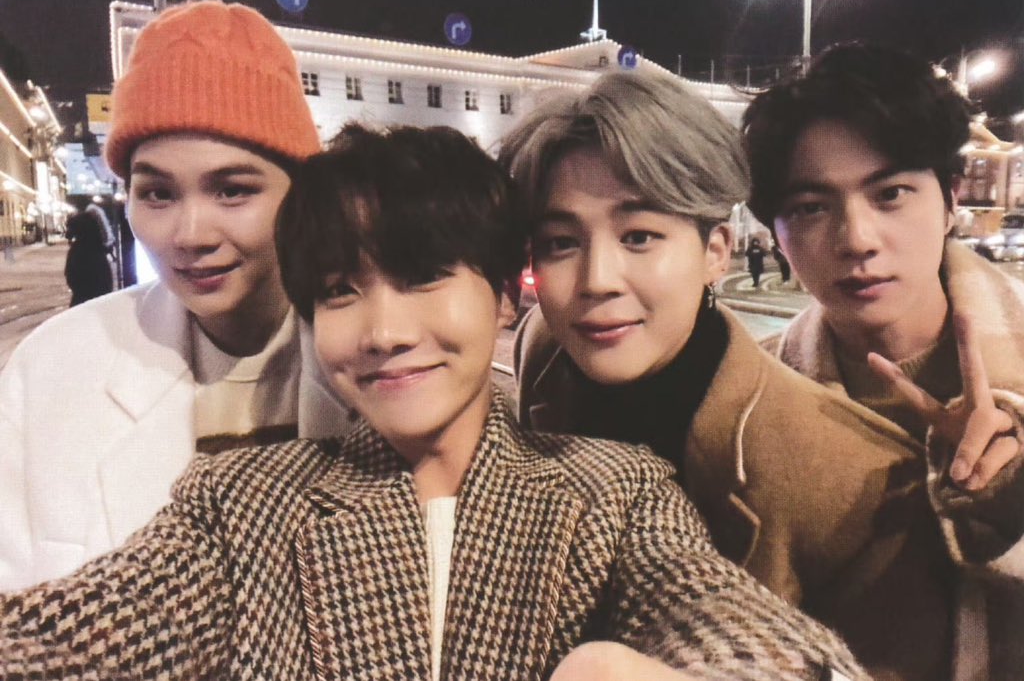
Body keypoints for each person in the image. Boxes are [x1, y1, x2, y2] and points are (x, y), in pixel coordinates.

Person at [0, 124, 865, 681]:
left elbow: (723, 616)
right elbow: (62, 638)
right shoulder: (240, 505)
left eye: (422, 278)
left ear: (504, 298)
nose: (383, 331)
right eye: (340, 292)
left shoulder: (613, 492)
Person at [500, 69, 993, 681]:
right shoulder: (545, 350)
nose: (597, 280)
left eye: (639, 236)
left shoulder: (855, 481)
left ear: (716, 252)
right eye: (559, 243)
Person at [0, 0, 351, 592]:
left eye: (233, 190)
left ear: (302, 196)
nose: (190, 235)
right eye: (158, 194)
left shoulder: (386, 362)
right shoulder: (52, 369)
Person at [743, 41, 1024, 680]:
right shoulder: (751, 399)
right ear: (776, 233)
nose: (857, 240)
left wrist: (1007, 501)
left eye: (891, 193)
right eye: (810, 208)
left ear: (951, 200)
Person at [63, 204, 116, 305]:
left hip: (81, 301)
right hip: (101, 302)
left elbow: (71, 278)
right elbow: (107, 282)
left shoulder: (77, 250)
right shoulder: (98, 250)